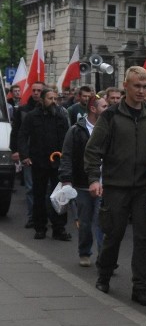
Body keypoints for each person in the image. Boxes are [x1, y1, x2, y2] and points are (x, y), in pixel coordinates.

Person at [84, 66, 146, 305]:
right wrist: (94, 179)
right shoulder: (111, 116)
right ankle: (104, 275)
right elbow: (93, 150)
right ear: (125, 85)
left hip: (143, 189)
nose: (141, 91)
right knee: (113, 235)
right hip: (116, 186)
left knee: (143, 239)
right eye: (137, 85)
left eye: (145, 86)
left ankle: (140, 287)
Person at [18, 87, 72, 241]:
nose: (53, 102)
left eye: (55, 99)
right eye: (50, 98)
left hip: (58, 162)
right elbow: (22, 136)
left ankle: (59, 228)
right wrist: (25, 155)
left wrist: (67, 159)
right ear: (42, 100)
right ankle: (40, 227)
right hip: (39, 162)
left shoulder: (61, 117)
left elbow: (67, 140)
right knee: (39, 195)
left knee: (60, 197)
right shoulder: (32, 117)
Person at [60, 94, 107, 266]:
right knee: (85, 222)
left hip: (105, 183)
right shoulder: (76, 130)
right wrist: (66, 180)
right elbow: (67, 156)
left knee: (103, 222)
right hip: (82, 184)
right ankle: (85, 252)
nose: (108, 109)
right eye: (104, 106)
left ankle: (104, 257)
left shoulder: (110, 128)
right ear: (94, 109)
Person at [10, 80, 45, 228]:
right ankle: (32, 216)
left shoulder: (51, 109)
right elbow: (17, 132)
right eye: (34, 90)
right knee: (31, 187)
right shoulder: (23, 110)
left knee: (46, 188)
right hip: (28, 154)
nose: (36, 93)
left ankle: (45, 216)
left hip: (45, 155)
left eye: (39, 90)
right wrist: (17, 150)